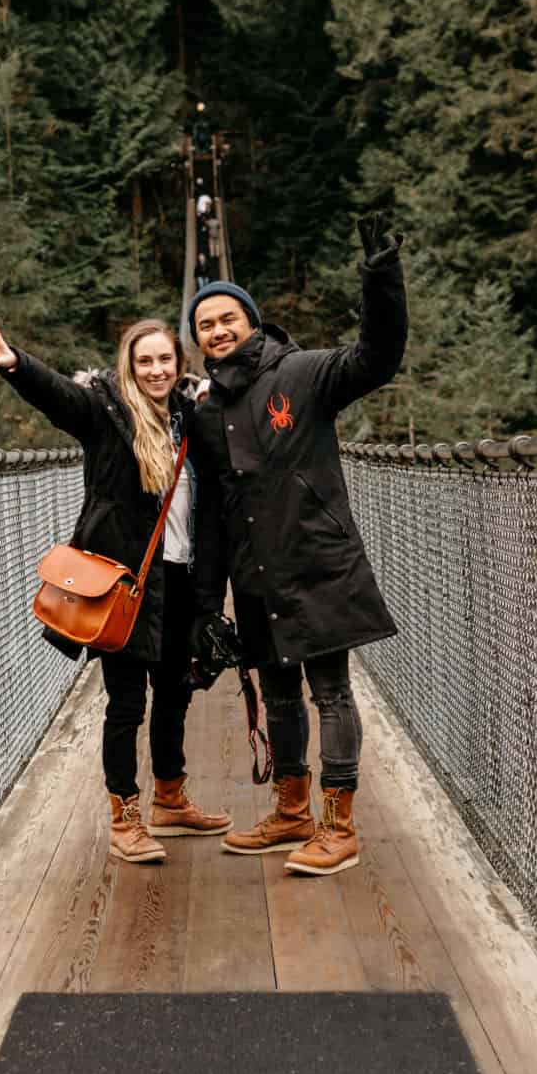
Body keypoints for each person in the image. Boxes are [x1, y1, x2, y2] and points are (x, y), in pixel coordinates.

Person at [0, 314, 232, 863]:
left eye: (165, 360)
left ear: (179, 365)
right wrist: (14, 364)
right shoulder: (106, 413)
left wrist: (217, 389)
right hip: (126, 584)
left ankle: (172, 798)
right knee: (127, 703)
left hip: (180, 575)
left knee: (176, 693)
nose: (156, 370)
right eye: (145, 361)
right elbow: (61, 398)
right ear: (128, 368)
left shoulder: (190, 414)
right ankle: (124, 814)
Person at [186, 217, 406, 876]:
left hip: (315, 562)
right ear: (198, 339)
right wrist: (206, 602)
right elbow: (214, 516)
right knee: (277, 692)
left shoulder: (305, 373)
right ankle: (291, 810)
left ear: (251, 321)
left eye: (228, 318)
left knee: (331, 691)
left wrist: (381, 277)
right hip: (255, 575)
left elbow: (378, 357)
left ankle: (340, 826)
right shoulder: (205, 410)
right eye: (206, 325)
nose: (218, 330)